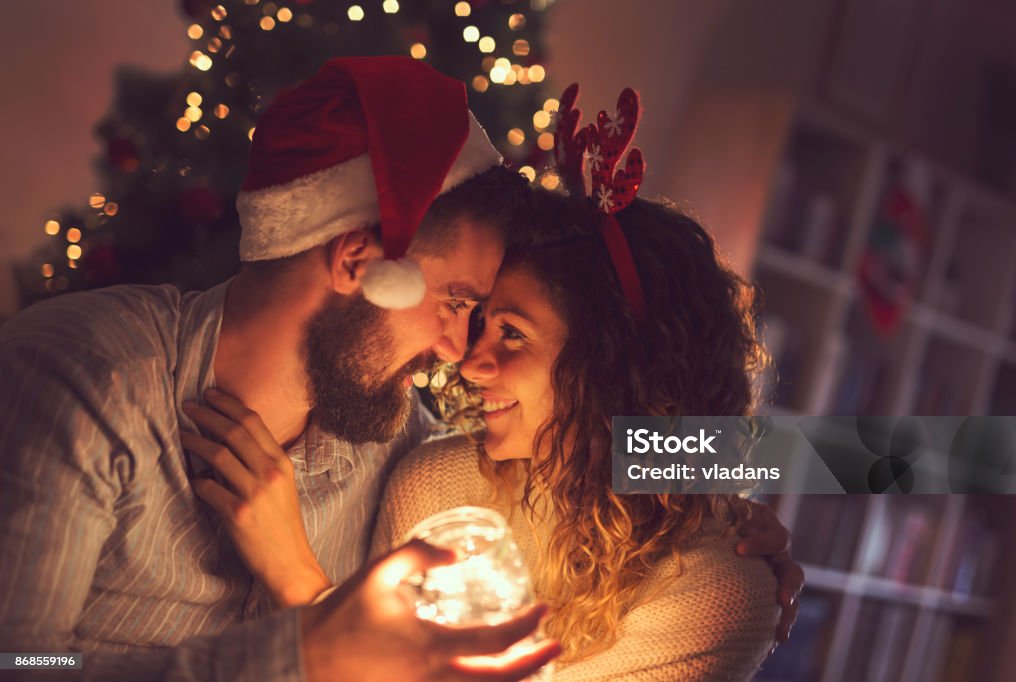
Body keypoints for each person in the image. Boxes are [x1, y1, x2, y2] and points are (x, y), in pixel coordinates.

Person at [180, 85, 802, 681]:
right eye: (478, 322)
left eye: (511, 334)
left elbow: (882, 454)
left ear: (609, 362)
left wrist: (298, 581)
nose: (466, 362)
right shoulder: (441, 485)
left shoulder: (719, 589)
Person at [0, 56, 557, 682]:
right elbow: (18, 660)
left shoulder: (400, 450)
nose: (458, 348)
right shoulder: (83, 377)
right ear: (356, 261)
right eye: (454, 302)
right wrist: (303, 654)